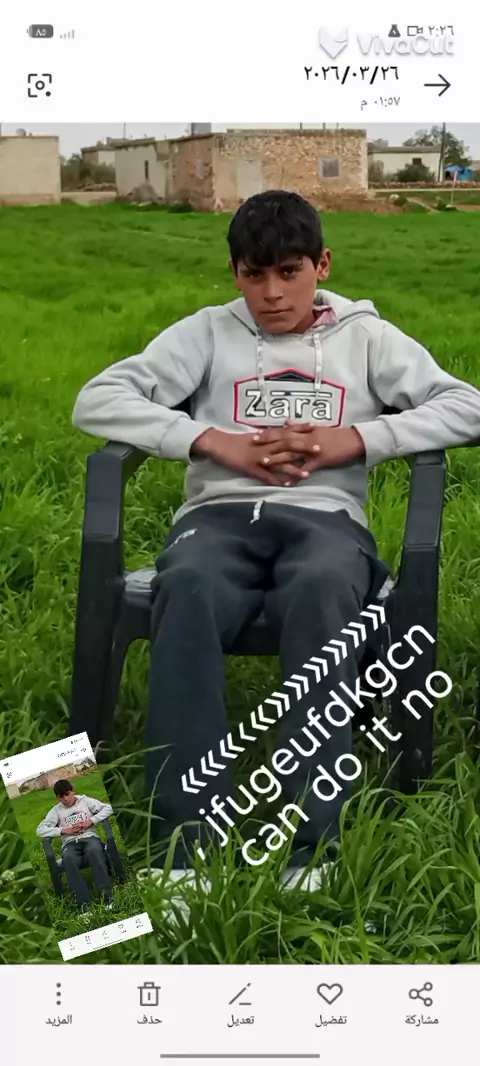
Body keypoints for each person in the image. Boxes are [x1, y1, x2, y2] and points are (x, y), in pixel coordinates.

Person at [72, 189, 480, 895]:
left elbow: (466, 405)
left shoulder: (366, 338)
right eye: (254, 275)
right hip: (218, 519)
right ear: (234, 272)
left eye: (289, 272)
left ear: (322, 265)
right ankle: (185, 852)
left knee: (322, 589)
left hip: (326, 521)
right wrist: (211, 440)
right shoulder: (206, 333)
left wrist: (358, 439)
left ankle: (313, 850)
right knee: (188, 587)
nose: (271, 293)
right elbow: (97, 398)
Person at [36, 779, 114, 910]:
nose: (65, 799)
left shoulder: (85, 801)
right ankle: (84, 905)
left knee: (94, 851)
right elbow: (40, 829)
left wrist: (91, 821)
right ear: (58, 797)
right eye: (61, 797)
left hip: (90, 838)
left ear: (73, 791)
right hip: (70, 844)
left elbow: (108, 807)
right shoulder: (56, 810)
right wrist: (63, 830)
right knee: (69, 859)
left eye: (67, 794)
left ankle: (108, 899)